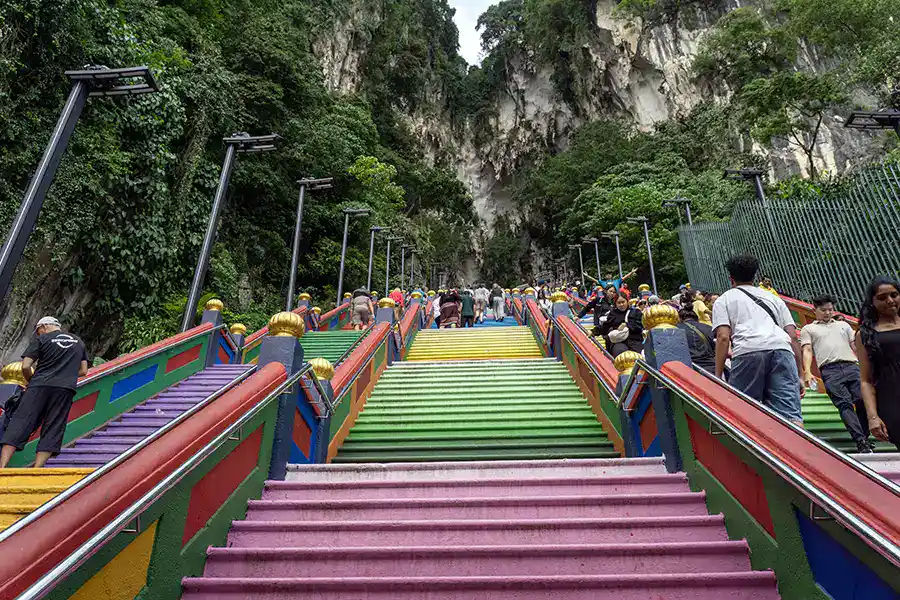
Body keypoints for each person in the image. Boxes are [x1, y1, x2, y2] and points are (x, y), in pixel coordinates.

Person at [712, 255, 804, 425]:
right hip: (782, 349)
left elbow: (723, 337)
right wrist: (800, 373)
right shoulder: (775, 298)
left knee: (743, 411)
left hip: (748, 351)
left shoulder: (724, 299)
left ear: (731, 278)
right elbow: (792, 336)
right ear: (754, 276)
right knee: (790, 415)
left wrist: (718, 374)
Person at [0, 317, 89, 468]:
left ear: (45, 326)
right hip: (64, 388)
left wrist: (31, 381)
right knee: (53, 424)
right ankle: (37, 469)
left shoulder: (43, 339)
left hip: (39, 385)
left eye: (38, 330)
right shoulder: (78, 342)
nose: (38, 334)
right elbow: (84, 371)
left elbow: (26, 366)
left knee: (20, 421)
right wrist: (66, 374)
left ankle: (2, 467)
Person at [800, 294, 872, 453]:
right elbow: (807, 350)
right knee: (844, 404)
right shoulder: (809, 329)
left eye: (830, 309)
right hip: (829, 371)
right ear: (815, 310)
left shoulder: (843, 326)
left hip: (852, 366)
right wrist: (806, 372)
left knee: (862, 400)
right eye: (824, 310)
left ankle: (864, 436)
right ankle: (860, 440)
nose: (827, 313)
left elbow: (855, 346)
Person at [857, 277, 900, 450]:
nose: (890, 301)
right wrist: (873, 417)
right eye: (882, 298)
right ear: (872, 302)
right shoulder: (866, 334)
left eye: (894, 295)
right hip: (893, 401)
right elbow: (865, 380)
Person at [676, 308, 716, 373]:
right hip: (711, 368)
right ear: (697, 318)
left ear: (680, 318)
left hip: (689, 368)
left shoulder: (676, 329)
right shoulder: (709, 328)